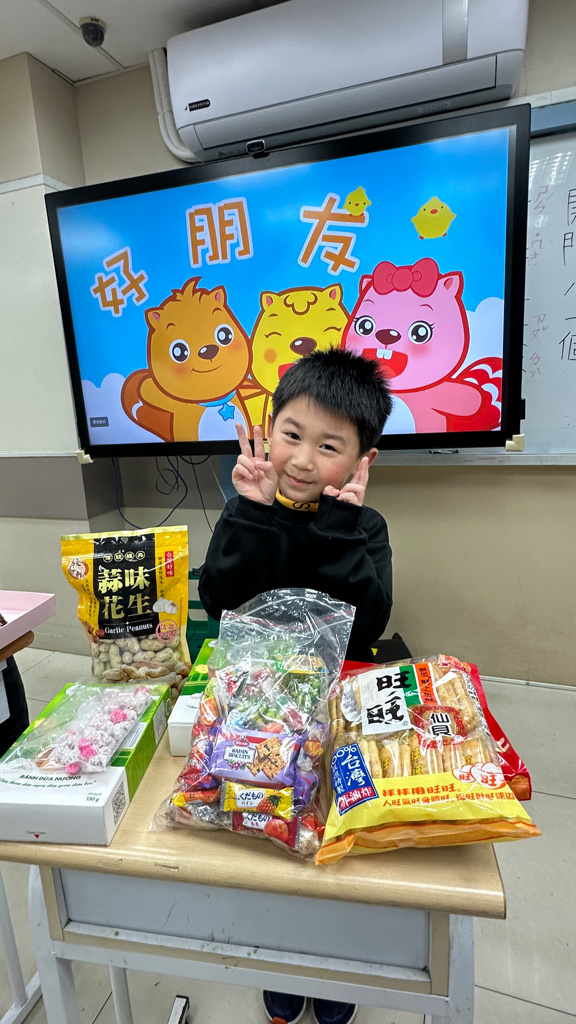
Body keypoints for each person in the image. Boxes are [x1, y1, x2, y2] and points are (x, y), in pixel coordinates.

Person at [199, 347, 393, 1024]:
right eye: (291, 435)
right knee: (265, 840)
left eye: (329, 446)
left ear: (363, 459)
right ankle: (281, 963)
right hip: (257, 716)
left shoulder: (365, 527)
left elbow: (370, 621)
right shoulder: (250, 510)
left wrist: (337, 532)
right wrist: (249, 515)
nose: (304, 460)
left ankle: (334, 970)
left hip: (333, 718)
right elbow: (221, 601)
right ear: (268, 430)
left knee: (332, 849)